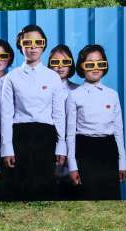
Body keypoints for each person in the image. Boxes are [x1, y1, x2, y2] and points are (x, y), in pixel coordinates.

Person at [1, 24, 66, 200]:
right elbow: (6, 115)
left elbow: (59, 114)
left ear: (43, 45)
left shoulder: (53, 77)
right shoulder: (11, 77)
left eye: (38, 42)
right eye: (27, 42)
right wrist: (7, 148)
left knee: (45, 188)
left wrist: (62, 145)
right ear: (20, 45)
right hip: (19, 135)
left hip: (46, 135)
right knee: (18, 189)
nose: (33, 46)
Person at [66, 44, 126, 200]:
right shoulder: (74, 95)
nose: (95, 68)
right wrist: (73, 166)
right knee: (87, 200)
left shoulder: (112, 95)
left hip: (109, 150)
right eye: (90, 64)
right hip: (84, 151)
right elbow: (70, 134)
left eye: (100, 63)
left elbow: (118, 131)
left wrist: (122, 163)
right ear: (82, 67)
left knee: (111, 200)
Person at [47, 44, 79, 195]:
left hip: (73, 145)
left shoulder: (78, 90)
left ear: (71, 65)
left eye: (65, 63)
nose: (60, 67)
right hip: (48, 144)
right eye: (55, 63)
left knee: (70, 187)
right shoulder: (42, 90)